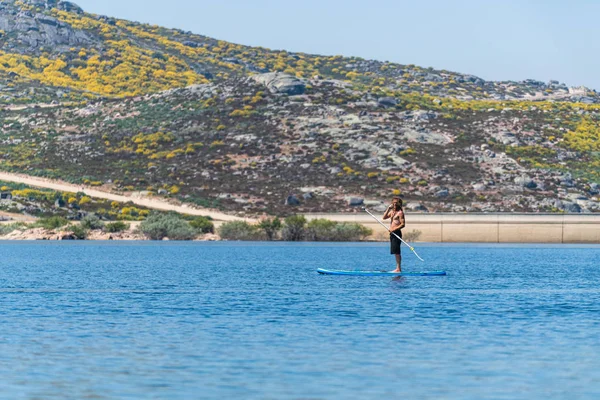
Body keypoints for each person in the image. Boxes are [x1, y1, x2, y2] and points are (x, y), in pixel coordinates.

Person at [382, 197, 405, 272]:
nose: (394, 204)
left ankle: (398, 268)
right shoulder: (392, 212)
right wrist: (388, 209)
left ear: (399, 204)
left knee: (397, 251)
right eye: (393, 202)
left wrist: (393, 229)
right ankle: (397, 268)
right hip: (392, 234)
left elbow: (403, 224)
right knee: (394, 251)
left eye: (396, 203)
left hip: (396, 233)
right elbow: (384, 217)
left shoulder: (400, 213)